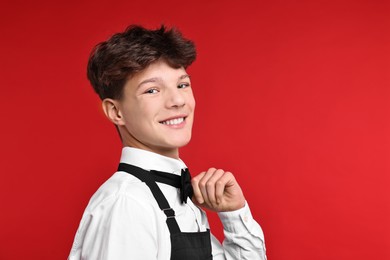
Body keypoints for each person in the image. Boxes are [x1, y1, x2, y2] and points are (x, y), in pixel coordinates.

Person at [68, 24, 267, 260]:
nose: (177, 100)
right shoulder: (127, 204)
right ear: (115, 111)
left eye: (182, 85)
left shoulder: (176, 193)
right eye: (152, 90)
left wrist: (234, 213)